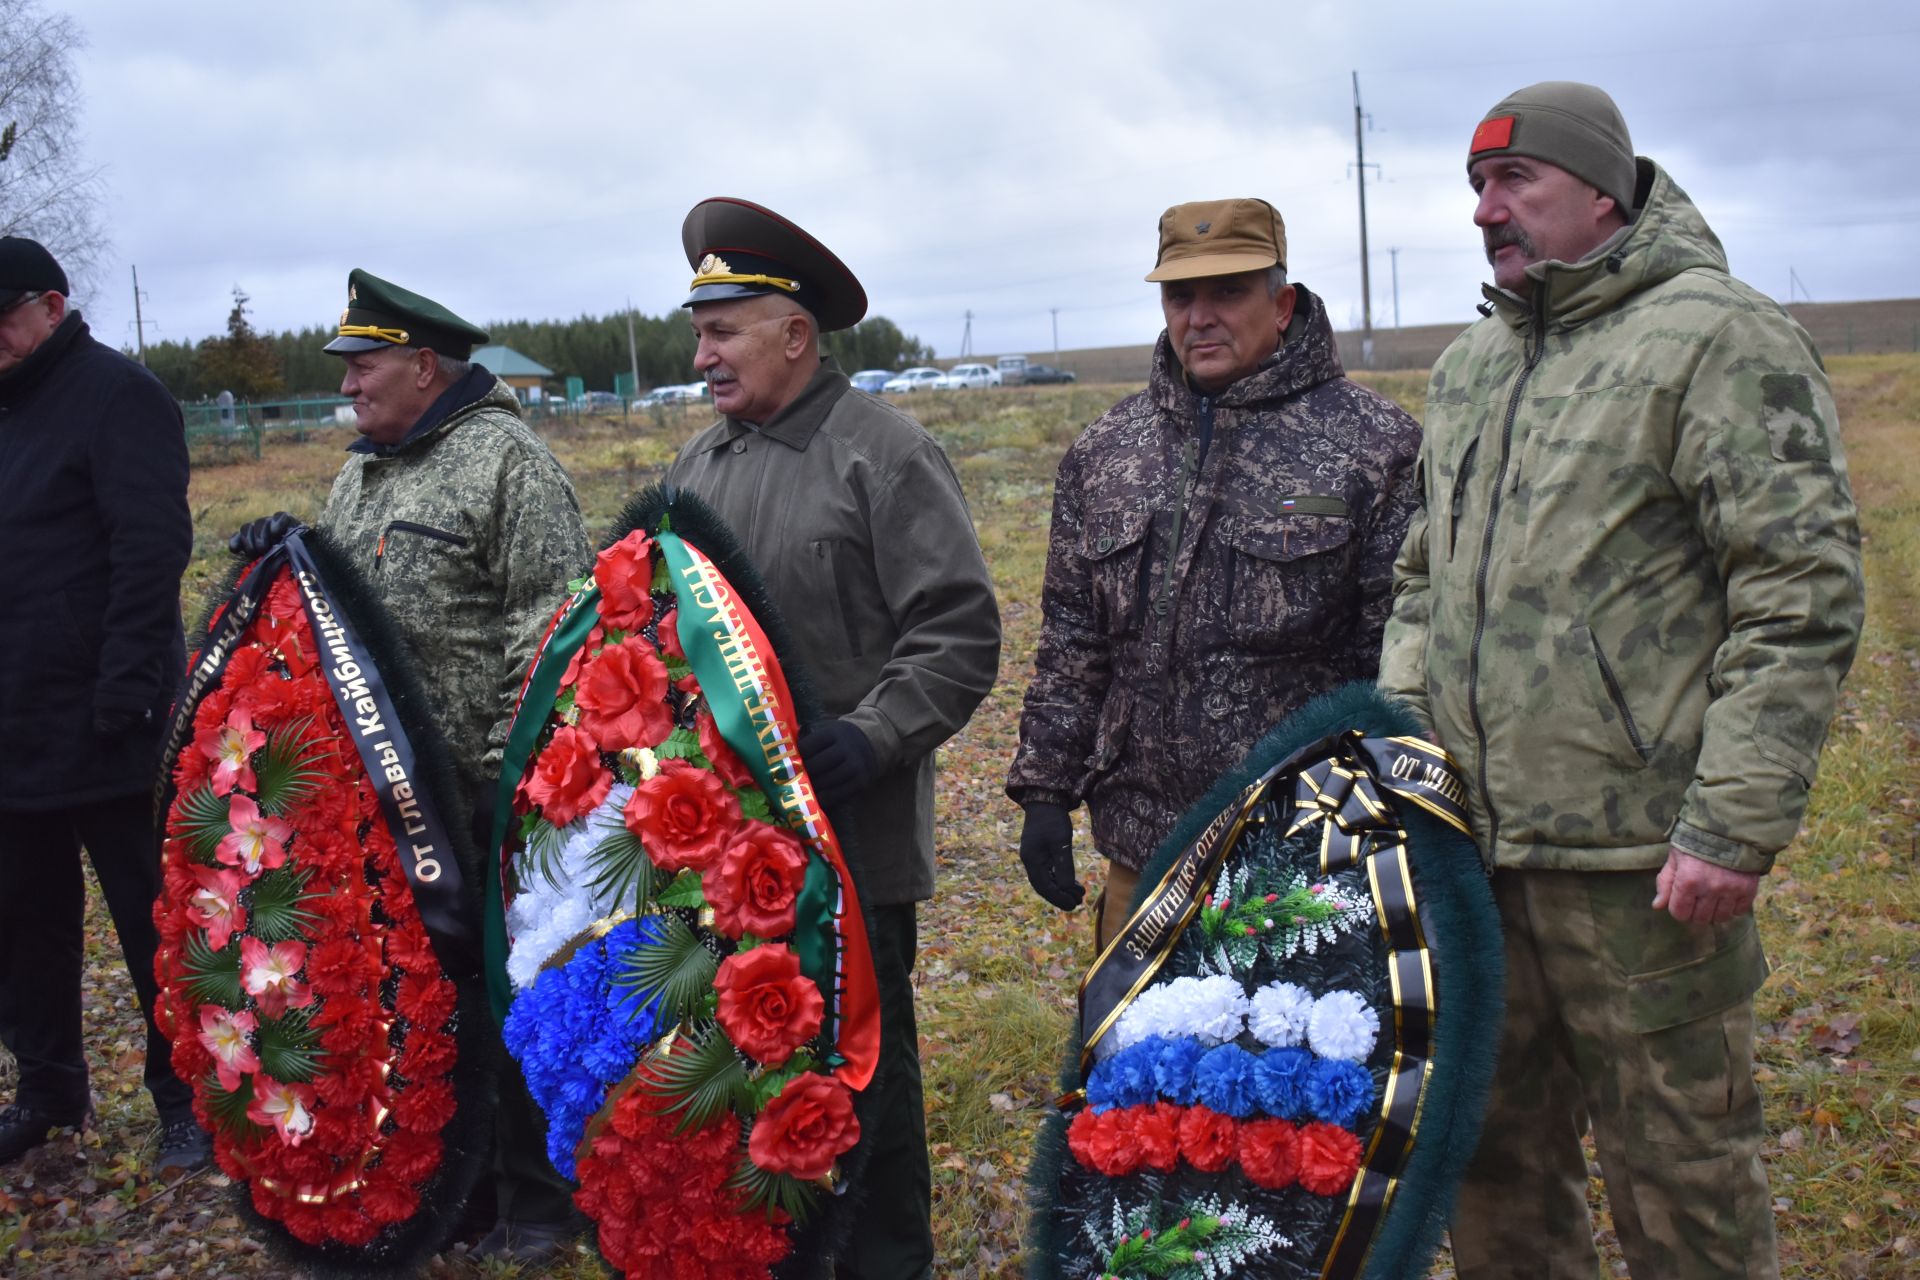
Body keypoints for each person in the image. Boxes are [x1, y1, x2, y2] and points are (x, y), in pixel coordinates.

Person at [1377, 82, 1865, 1280]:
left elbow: (1798, 594)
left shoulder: (1717, 338)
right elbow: (1422, 586)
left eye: (1516, 182)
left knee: (1681, 1179)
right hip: (1477, 854)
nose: (1489, 210)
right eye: (1477, 189)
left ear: (1602, 188)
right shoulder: (1474, 365)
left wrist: (1732, 823)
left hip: (1643, 867)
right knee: (1492, 1168)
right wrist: (1405, 752)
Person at [665, 197, 1001, 1280]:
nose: (701, 351)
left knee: (867, 1080)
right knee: (750, 1073)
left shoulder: (885, 455)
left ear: (795, 334)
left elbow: (957, 629)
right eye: (699, 328)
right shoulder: (694, 470)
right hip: (722, 849)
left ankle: (888, 1261)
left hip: (851, 841)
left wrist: (875, 734)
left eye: (724, 329)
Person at [231, 269, 589, 1263]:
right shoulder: (361, 472)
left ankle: (539, 1194)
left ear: (424, 365)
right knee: (418, 999)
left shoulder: (506, 461)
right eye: (345, 367)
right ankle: (457, 1184)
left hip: (481, 791)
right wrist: (285, 554)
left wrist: (516, 774)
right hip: (374, 803)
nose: (347, 385)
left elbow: (552, 623)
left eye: (363, 364)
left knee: (513, 994)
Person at [1005, 198, 1421, 947]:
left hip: (1303, 859)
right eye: (1180, 295)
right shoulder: (1107, 453)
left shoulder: (1376, 448)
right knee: (1137, 1061)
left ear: (1282, 303)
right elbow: (1073, 643)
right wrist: (1044, 792)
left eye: (1228, 291)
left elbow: (1397, 664)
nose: (1200, 316)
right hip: (1144, 852)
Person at [0, 235, 206, 1172]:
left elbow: (149, 547)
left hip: (111, 721)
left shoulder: (119, 397)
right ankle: (48, 1092)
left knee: (153, 919)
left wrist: (128, 691)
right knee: (24, 921)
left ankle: (186, 1099)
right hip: (13, 726)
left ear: (51, 304)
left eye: (1, 319)